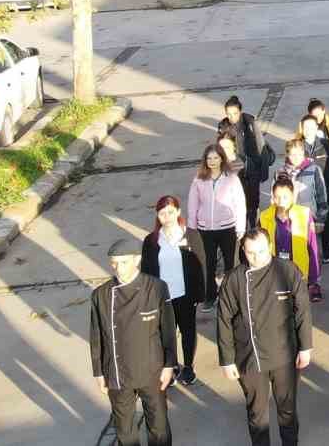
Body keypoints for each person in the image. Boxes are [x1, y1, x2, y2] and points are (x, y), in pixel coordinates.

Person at [217, 227, 314, 446]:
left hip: (285, 354)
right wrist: (227, 360)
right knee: (256, 413)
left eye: (261, 251)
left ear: (270, 247)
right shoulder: (234, 279)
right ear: (243, 250)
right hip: (250, 357)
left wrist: (306, 347)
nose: (256, 257)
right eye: (250, 252)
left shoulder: (287, 271)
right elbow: (223, 320)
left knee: (287, 410)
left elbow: (303, 311)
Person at [90, 238, 177, 446]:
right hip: (118, 372)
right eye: (114, 263)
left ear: (137, 260)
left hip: (151, 369)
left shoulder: (156, 288)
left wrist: (169, 365)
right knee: (125, 430)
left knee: (159, 427)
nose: (118, 268)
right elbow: (96, 336)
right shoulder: (100, 295)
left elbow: (168, 331)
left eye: (124, 262)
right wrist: (99, 372)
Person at [140, 196, 204, 385]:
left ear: (178, 212)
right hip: (163, 298)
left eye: (170, 212)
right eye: (162, 213)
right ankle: (171, 366)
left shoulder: (191, 235)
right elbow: (146, 271)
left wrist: (200, 294)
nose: (166, 217)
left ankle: (189, 367)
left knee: (188, 331)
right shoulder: (151, 241)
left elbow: (201, 264)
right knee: (166, 334)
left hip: (185, 294)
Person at [188, 143, 247, 313]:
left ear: (222, 158)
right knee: (208, 263)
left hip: (228, 227)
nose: (212, 161)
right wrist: (192, 226)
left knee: (231, 263)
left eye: (215, 157)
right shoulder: (199, 178)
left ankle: (231, 296)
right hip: (206, 229)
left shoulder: (231, 178)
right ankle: (210, 296)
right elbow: (193, 203)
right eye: (209, 158)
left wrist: (240, 227)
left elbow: (240, 204)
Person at [264, 131, 329, 265]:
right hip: (286, 219)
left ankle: (312, 280)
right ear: (287, 155)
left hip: (307, 218)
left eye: (299, 154)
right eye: (292, 154)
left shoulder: (314, 169)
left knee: (310, 252)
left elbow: (322, 196)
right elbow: (273, 197)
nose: (296, 157)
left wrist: (321, 220)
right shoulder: (280, 173)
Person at [261, 175, 325, 302]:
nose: (281, 200)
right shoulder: (264, 217)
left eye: (285, 197)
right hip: (275, 272)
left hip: (299, 272)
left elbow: (312, 247)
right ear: (272, 198)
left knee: (298, 306)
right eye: (277, 197)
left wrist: (313, 278)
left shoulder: (304, 214)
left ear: (292, 197)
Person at [220, 95, 273, 223]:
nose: (232, 117)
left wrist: (262, 168)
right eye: (229, 114)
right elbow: (220, 148)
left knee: (253, 199)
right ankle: (242, 225)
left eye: (235, 113)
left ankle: (253, 222)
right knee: (239, 199)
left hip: (252, 167)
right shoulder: (223, 126)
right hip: (235, 169)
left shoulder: (249, 123)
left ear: (240, 111)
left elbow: (260, 145)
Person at [300, 111, 329, 258]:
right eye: (305, 127)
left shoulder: (326, 145)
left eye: (311, 127)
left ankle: (327, 250)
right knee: (306, 224)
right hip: (305, 194)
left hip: (326, 190)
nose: (308, 130)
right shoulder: (297, 147)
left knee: (328, 223)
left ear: (316, 127)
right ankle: (309, 253)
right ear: (301, 128)